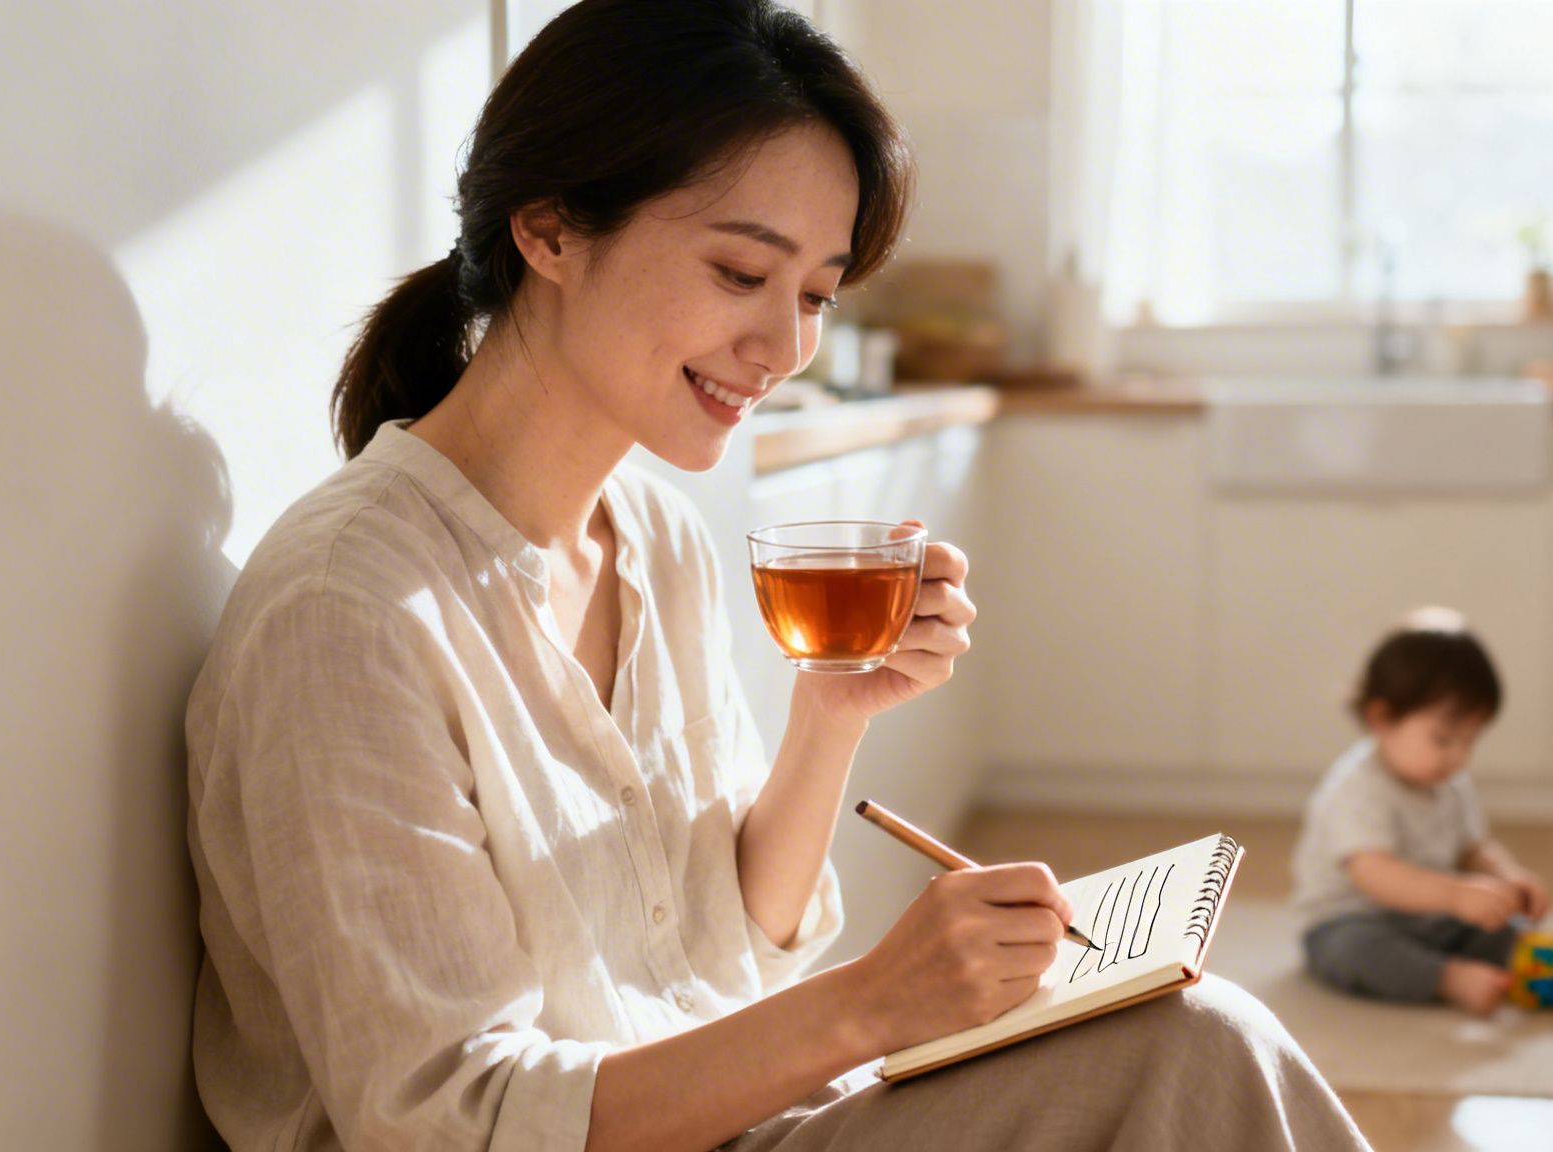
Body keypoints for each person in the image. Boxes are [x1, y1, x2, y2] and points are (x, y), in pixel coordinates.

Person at [184, 2, 1373, 1148]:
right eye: (740, 274)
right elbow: (444, 1122)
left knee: (1178, 1033)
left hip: (735, 1122)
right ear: (546, 232)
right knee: (1193, 1054)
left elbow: (730, 943)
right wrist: (870, 1004)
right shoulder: (349, 611)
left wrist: (828, 716)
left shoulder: (650, 535)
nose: (786, 345)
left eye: (813, 292)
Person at [1288, 608, 1552, 1017]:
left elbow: (1472, 848)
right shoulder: (1356, 789)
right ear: (1381, 718)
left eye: (1470, 741)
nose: (1459, 756)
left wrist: (1506, 877)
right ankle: (1450, 978)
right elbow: (1375, 874)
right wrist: (1455, 895)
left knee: (1502, 926)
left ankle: (1474, 965)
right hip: (1353, 920)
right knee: (1354, 952)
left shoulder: (1450, 784)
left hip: (1430, 920)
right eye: (1444, 739)